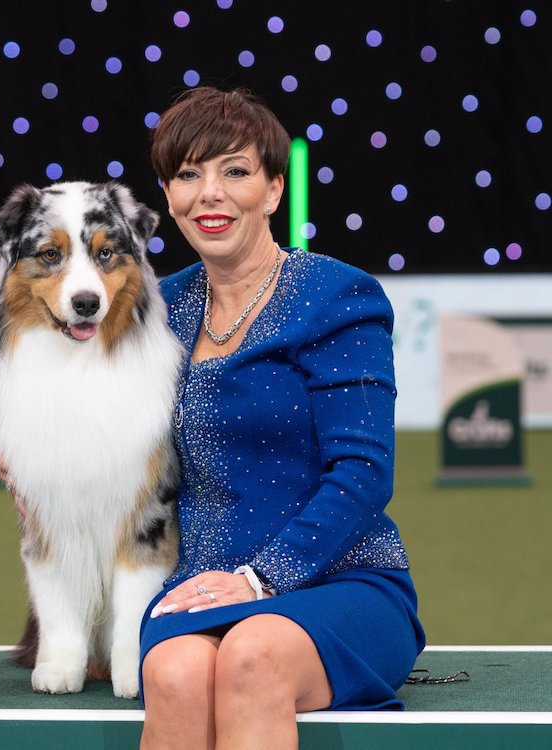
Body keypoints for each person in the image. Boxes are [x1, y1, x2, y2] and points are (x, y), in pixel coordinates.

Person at [138, 86, 425, 750]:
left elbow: (364, 472)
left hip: (340, 581)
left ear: (273, 190)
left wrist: (260, 579)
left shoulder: (335, 295)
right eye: (188, 175)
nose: (209, 193)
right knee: (177, 673)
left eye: (233, 171)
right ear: (169, 194)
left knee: (252, 655)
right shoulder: (157, 309)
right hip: (198, 591)